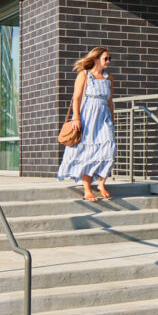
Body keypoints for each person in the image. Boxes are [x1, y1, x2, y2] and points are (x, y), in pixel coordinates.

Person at [57, 46, 116, 201]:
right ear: (96, 59)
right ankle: (87, 189)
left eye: (109, 58)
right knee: (87, 152)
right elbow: (76, 98)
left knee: (109, 148)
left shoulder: (109, 78)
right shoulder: (84, 75)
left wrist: (112, 118)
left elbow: (110, 101)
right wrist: (76, 118)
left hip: (104, 118)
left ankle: (102, 184)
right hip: (88, 117)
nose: (108, 61)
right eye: (106, 58)